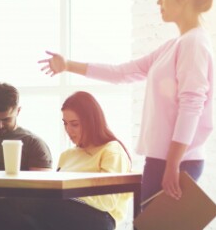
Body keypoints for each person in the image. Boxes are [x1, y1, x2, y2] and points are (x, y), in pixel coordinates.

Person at [39, 0, 216, 203]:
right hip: (164, 159)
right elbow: (121, 73)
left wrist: (173, 165)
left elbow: (192, 105)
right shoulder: (174, 46)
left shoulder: (194, 43)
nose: (158, 1)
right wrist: (68, 65)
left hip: (177, 161)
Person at [9, 91, 132, 230]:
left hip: (101, 218)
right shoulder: (67, 155)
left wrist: (67, 193)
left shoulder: (111, 150)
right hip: (63, 211)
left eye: (74, 124)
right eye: (65, 123)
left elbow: (107, 201)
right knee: (14, 214)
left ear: (92, 122)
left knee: (25, 203)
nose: (68, 130)